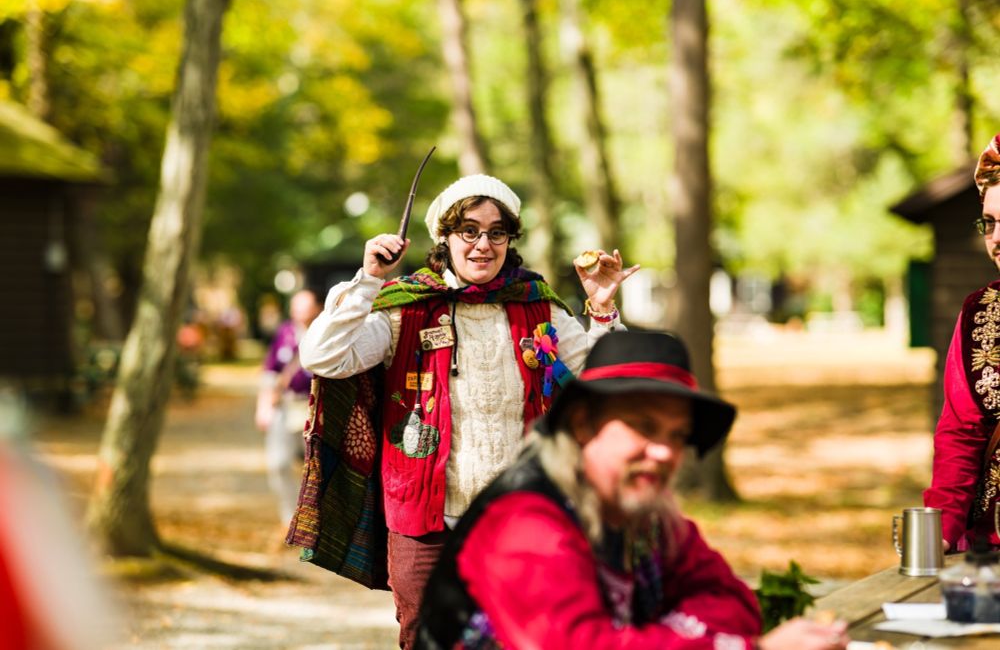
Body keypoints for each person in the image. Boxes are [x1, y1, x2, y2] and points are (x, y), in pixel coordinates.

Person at [297, 173, 638, 648]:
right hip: (425, 523)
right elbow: (322, 357)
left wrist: (601, 311)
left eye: (497, 232)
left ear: (509, 240)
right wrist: (369, 281)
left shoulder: (539, 306)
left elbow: (605, 387)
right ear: (445, 237)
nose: (483, 244)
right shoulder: (404, 309)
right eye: (469, 231)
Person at [415, 330, 850, 650]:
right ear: (584, 424)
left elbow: (732, 600)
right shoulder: (525, 524)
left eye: (678, 436)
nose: (664, 453)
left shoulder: (645, 510)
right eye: (644, 427)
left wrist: (649, 638)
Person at [925, 133, 1000, 552]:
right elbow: (960, 434)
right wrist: (939, 534)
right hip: (989, 557)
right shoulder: (980, 314)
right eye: (989, 222)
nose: (996, 238)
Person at [255, 288, 323, 526]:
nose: (299, 311)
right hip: (285, 405)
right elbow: (270, 371)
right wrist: (263, 405)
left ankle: (317, 515)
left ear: (316, 308)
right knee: (279, 462)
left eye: (304, 306)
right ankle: (291, 515)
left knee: (318, 464)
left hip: (315, 408)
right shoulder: (285, 332)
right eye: (296, 306)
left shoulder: (326, 330)